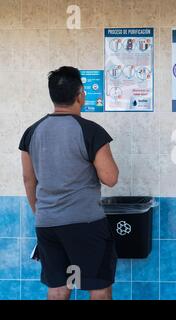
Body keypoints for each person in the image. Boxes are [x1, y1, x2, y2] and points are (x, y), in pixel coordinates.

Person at [19, 66, 119, 300]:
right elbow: (111, 178)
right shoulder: (90, 131)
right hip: (84, 223)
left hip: (47, 224)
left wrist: (41, 212)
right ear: (80, 94)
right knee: (99, 288)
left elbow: (28, 179)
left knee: (58, 288)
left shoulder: (32, 132)